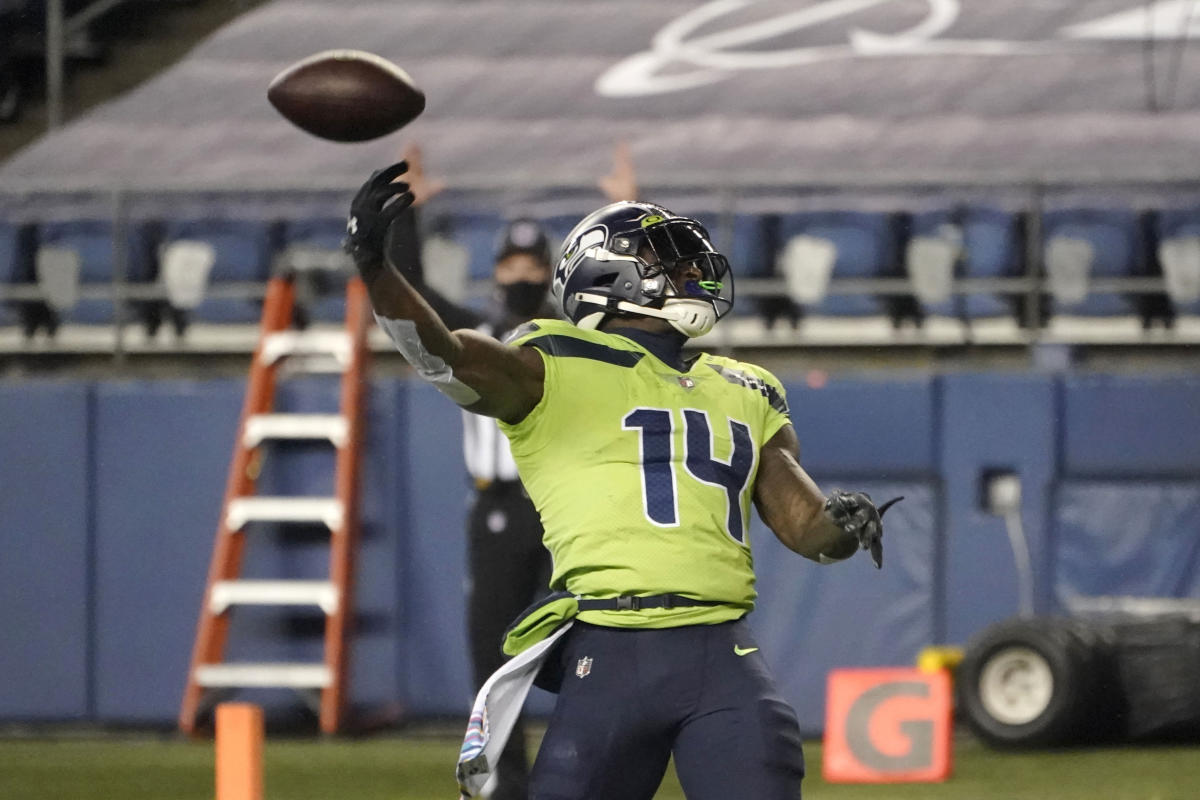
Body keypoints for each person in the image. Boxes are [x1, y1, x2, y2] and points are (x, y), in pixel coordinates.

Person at [345, 161, 899, 800]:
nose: (693, 272)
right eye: (669, 262)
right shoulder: (551, 363)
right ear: (608, 274)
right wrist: (376, 269)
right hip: (608, 652)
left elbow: (807, 531)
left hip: (721, 655)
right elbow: (441, 355)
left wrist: (842, 523)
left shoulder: (743, 385)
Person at [386, 143, 641, 800]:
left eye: (536, 263)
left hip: (562, 508)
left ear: (552, 272)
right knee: (494, 658)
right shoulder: (475, 331)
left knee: (587, 653)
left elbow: (628, 300)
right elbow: (409, 290)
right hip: (499, 507)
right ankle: (504, 788)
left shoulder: (570, 334)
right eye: (514, 263)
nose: (524, 273)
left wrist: (624, 212)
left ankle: (585, 777)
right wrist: (407, 211)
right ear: (497, 271)